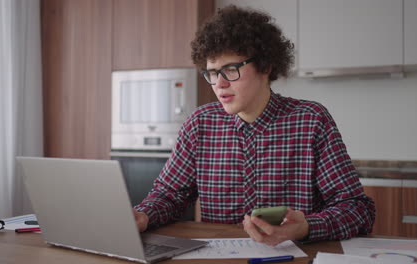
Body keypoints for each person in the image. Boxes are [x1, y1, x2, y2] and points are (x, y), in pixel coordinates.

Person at [133, 5, 375, 245]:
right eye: (212, 73)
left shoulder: (311, 120)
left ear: (265, 66)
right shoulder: (200, 124)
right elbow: (169, 195)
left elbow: (357, 209)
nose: (219, 84)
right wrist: (143, 216)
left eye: (230, 70)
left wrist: (307, 228)